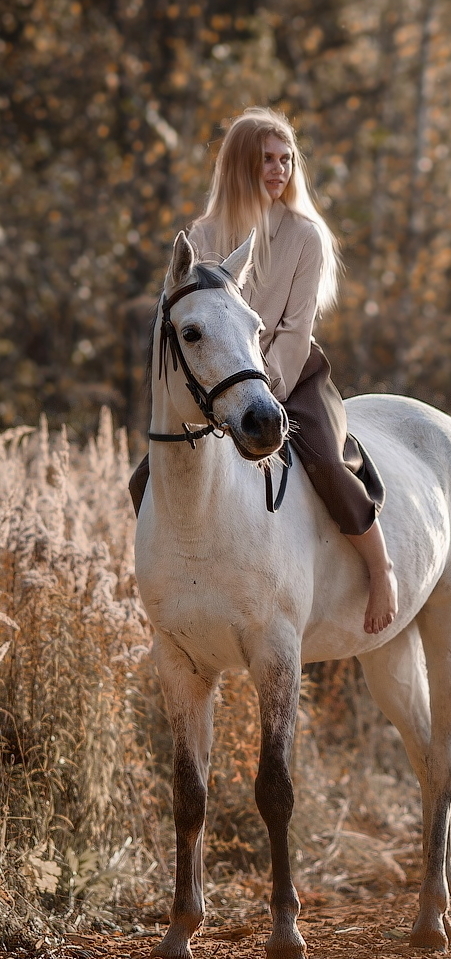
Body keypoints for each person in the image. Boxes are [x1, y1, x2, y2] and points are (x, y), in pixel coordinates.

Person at [131, 107, 398, 635]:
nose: (278, 169)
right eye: (265, 160)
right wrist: (225, 389)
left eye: (286, 159)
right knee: (145, 476)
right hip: (217, 382)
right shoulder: (201, 236)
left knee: (325, 457)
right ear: (238, 166)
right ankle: (166, 582)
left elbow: (296, 328)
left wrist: (260, 389)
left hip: (289, 373)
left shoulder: (306, 236)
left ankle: (379, 564)